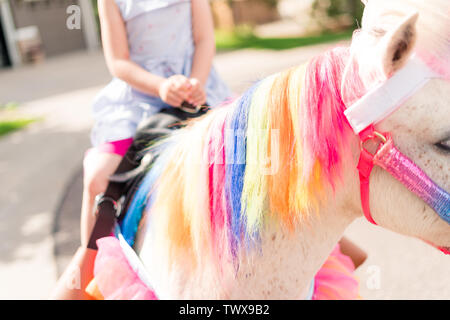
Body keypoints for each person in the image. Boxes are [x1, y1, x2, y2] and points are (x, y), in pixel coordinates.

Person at [81, 0, 231, 245]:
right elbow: (118, 61)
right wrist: (160, 87)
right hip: (138, 97)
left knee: (240, 155)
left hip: (194, 86)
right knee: (97, 177)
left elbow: (204, 38)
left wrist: (196, 83)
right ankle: (88, 270)